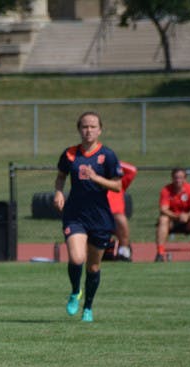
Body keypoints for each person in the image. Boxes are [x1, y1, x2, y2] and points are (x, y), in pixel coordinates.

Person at [52, 111, 123, 323]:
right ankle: (75, 291)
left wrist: (97, 178)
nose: (88, 130)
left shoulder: (107, 155)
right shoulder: (70, 154)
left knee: (93, 267)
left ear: (100, 130)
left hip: (99, 218)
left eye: (93, 127)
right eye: (84, 126)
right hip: (75, 215)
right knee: (76, 258)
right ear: (78, 129)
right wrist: (58, 192)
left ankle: (88, 307)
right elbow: (61, 177)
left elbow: (117, 186)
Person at [155, 167, 190, 261]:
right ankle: (160, 253)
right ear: (172, 178)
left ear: (185, 178)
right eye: (176, 178)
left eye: (180, 178)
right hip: (172, 221)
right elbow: (163, 209)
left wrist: (187, 216)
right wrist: (177, 216)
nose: (178, 180)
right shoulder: (166, 190)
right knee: (163, 219)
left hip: (187, 222)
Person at [107, 160, 136, 261]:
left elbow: (132, 170)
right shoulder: (96, 183)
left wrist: (111, 160)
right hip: (99, 218)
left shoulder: (119, 184)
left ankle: (124, 252)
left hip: (116, 220)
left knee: (120, 218)